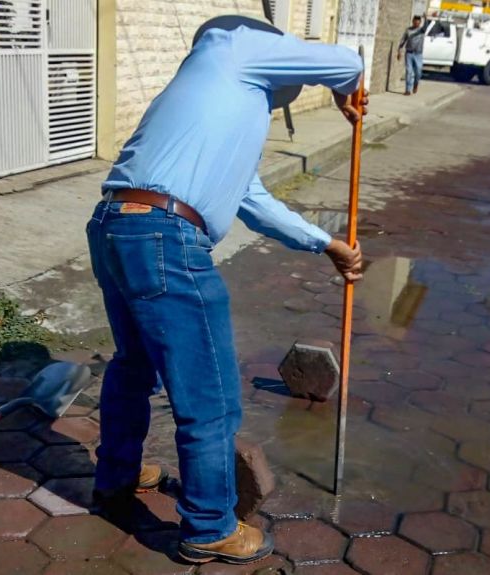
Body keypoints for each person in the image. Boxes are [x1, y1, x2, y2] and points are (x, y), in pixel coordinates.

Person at [85, 15, 367, 566]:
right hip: (164, 237)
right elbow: (349, 62)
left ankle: (117, 472)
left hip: (116, 227)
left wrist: (326, 244)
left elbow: (253, 200)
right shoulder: (234, 45)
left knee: (133, 367)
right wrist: (346, 89)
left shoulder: (228, 105)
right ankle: (210, 525)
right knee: (208, 394)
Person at [398, 14, 430, 95]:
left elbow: (425, 26)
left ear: (419, 23)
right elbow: (403, 41)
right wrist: (399, 51)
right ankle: (408, 90)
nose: (416, 24)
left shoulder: (421, 30)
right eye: (415, 22)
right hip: (409, 53)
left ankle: (416, 84)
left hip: (418, 54)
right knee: (409, 71)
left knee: (418, 72)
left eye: (418, 23)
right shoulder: (408, 30)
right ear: (412, 21)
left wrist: (426, 18)